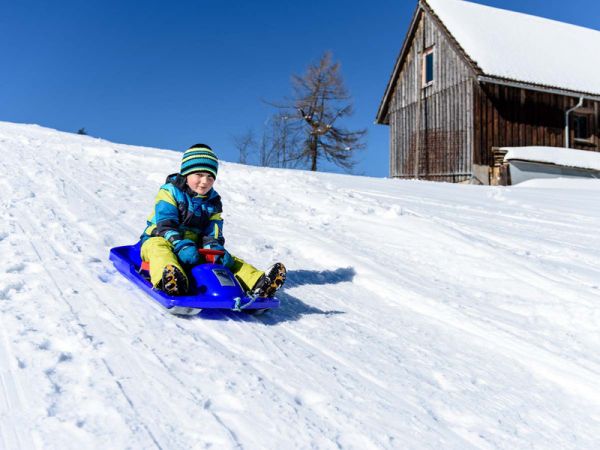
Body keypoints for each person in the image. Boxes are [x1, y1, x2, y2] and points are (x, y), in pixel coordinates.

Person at [139, 143, 286, 297]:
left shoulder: (213, 201)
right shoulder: (169, 192)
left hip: (194, 246)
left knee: (227, 260)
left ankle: (260, 283)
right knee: (158, 249)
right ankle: (170, 281)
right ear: (186, 173)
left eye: (210, 177)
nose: (205, 181)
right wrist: (179, 244)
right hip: (161, 238)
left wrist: (214, 248)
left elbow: (213, 230)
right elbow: (165, 224)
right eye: (199, 175)